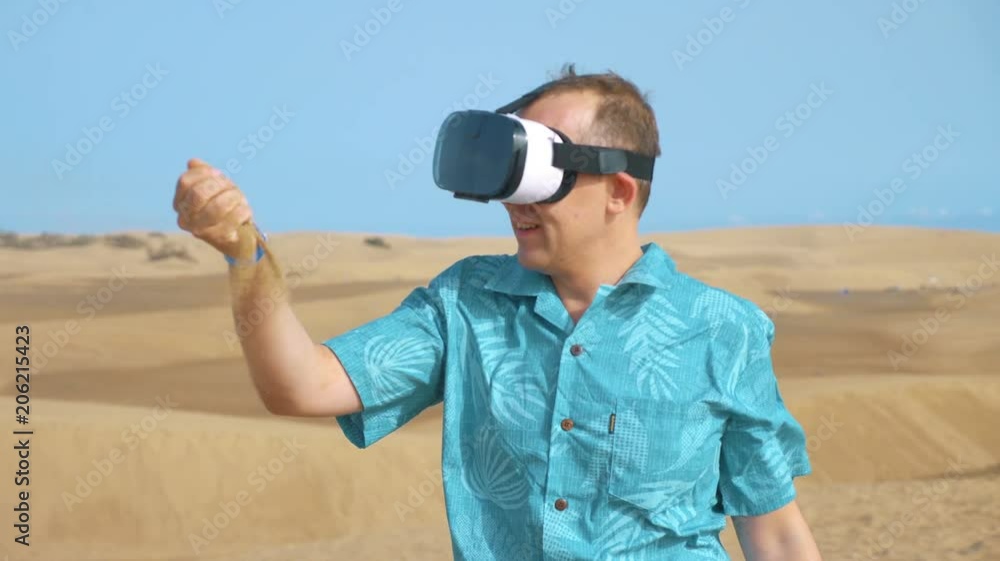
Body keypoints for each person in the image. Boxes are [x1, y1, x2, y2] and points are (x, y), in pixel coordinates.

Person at [173, 65, 823, 560]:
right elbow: (300, 385)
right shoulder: (466, 303)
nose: (514, 201)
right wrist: (245, 254)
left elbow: (774, 529)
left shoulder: (723, 329)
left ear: (619, 191)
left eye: (537, 173)